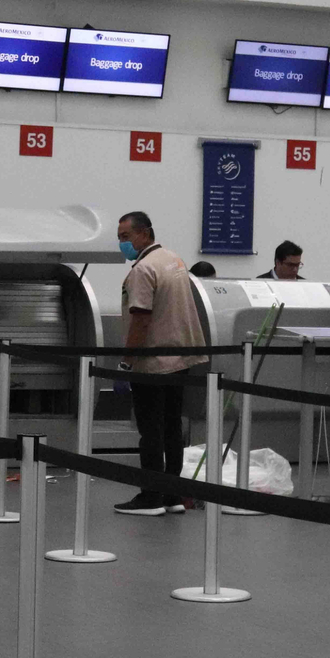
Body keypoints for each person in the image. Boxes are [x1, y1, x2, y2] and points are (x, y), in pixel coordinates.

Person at [113, 210, 207, 517]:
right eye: (119, 238)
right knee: (171, 427)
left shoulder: (143, 270)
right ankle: (172, 494)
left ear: (144, 234)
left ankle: (150, 496)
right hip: (180, 358)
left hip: (152, 362)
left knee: (150, 430)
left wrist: (127, 363)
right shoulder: (173, 260)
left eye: (126, 237)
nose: (122, 244)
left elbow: (140, 319)